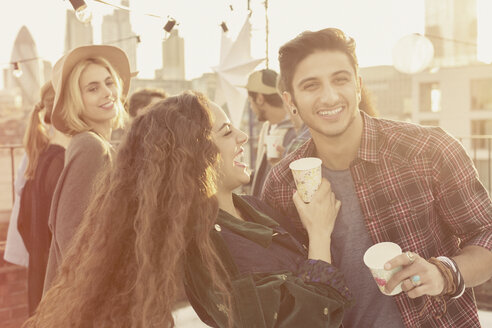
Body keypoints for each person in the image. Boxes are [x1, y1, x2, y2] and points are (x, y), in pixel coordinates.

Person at [24, 92, 352, 327]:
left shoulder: (250, 207)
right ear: (194, 154)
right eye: (226, 132)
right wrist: (319, 235)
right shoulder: (203, 248)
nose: (241, 137)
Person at [262, 28, 492, 328]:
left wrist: (443, 273)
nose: (329, 95)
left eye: (340, 79)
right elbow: (285, 299)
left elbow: (485, 234)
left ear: (358, 86)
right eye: (311, 85)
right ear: (290, 100)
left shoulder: (429, 149)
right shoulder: (280, 186)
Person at [42, 44, 131, 292]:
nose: (107, 92)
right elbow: (71, 238)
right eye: (93, 88)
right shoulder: (90, 146)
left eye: (109, 82)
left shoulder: (102, 145)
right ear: (75, 101)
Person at [16, 81, 68, 315]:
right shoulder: (61, 162)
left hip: (40, 279)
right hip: (60, 285)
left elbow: (22, 223)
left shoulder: (41, 159)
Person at [245, 69, 297, 197]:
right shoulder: (267, 128)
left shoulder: (298, 132)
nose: (251, 106)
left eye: (250, 101)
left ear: (260, 99)